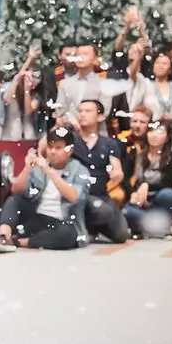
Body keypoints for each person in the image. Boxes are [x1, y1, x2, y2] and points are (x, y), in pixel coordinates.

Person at [0, 126, 89, 252]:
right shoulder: (39, 167)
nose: (52, 152)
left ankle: (18, 242)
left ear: (69, 150)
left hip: (62, 221)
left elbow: (73, 197)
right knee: (14, 200)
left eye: (58, 148)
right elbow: (16, 190)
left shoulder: (80, 170)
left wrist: (49, 171)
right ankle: (3, 238)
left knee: (67, 234)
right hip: (37, 217)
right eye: (50, 147)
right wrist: (27, 168)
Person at [65, 100, 130, 242]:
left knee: (122, 235)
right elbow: (46, 147)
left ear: (100, 117)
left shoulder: (109, 143)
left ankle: (93, 227)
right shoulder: (70, 140)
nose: (82, 114)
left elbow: (116, 166)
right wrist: (58, 128)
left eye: (88, 111)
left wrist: (117, 173)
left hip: (101, 194)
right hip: (78, 194)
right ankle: (82, 227)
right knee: (103, 211)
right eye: (80, 111)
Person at [123, 121, 172, 238]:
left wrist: (146, 185)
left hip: (158, 198)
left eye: (159, 132)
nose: (154, 135)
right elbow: (126, 177)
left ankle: (163, 227)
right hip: (138, 200)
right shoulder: (136, 152)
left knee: (170, 195)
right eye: (151, 131)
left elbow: (168, 182)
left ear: (167, 137)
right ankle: (145, 226)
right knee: (128, 212)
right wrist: (133, 193)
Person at [54, 43, 112, 126]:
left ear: (95, 58)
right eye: (78, 54)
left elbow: (105, 112)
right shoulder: (65, 84)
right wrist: (71, 121)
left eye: (85, 54)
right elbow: (60, 111)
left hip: (96, 133)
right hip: (71, 133)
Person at [1, 47, 41, 141]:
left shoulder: (36, 96)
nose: (32, 79)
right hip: (8, 135)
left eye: (35, 77)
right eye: (28, 76)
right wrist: (30, 58)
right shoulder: (13, 88)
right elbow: (7, 100)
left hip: (28, 136)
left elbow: (28, 111)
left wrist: (27, 90)